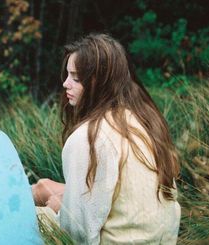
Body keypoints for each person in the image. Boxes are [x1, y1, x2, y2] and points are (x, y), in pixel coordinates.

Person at [32, 33, 181, 244]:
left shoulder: (88, 138)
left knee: (35, 213)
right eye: (67, 75)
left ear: (98, 82)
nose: (65, 84)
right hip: (158, 239)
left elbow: (77, 231)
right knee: (45, 186)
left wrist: (53, 213)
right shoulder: (143, 122)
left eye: (75, 77)